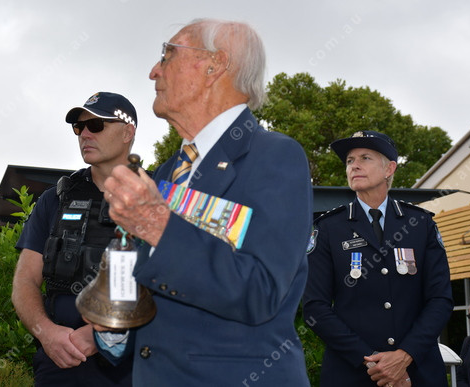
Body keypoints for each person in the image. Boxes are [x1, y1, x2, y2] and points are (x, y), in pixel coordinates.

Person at [95, 19, 313, 386]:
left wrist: (158, 225)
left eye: (168, 55)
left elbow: (261, 291)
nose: (153, 71)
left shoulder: (275, 156)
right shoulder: (166, 172)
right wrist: (114, 329)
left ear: (215, 65)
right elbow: (155, 286)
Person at [303, 130, 453, 386]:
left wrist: (404, 356)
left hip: (417, 373)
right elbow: (315, 308)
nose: (354, 165)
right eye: (350, 161)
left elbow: (440, 299)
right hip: (353, 374)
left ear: (389, 168)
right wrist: (373, 361)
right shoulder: (328, 228)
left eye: (365, 158)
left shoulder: (420, 224)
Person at [12, 92, 136, 386]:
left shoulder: (158, 195)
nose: (85, 135)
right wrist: (46, 333)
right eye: (79, 127)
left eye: (96, 125)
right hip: (61, 359)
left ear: (127, 132)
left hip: (134, 363)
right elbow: (25, 280)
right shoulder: (55, 198)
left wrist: (100, 334)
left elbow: (177, 284)